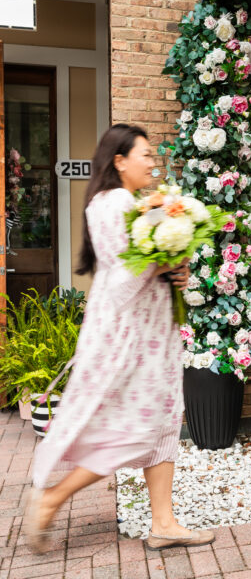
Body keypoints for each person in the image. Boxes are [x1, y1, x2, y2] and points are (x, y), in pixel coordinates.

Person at [25, 124, 215, 553]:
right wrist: (164, 260)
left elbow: (155, 258)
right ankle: (50, 500)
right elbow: (127, 271)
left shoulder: (135, 204)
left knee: (165, 420)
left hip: (153, 334)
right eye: (145, 154)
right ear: (119, 161)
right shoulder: (111, 203)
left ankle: (164, 523)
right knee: (134, 429)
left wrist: (176, 266)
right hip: (126, 337)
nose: (152, 162)